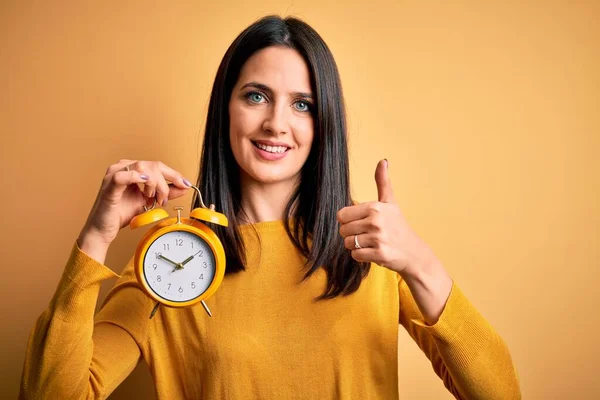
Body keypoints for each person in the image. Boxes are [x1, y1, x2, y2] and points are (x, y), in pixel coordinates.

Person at [19, 15, 521, 399]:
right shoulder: (171, 264)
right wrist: (96, 236)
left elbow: (499, 392)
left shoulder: (372, 249)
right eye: (256, 96)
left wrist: (418, 261)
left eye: (302, 104)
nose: (277, 124)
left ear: (324, 124)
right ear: (226, 109)